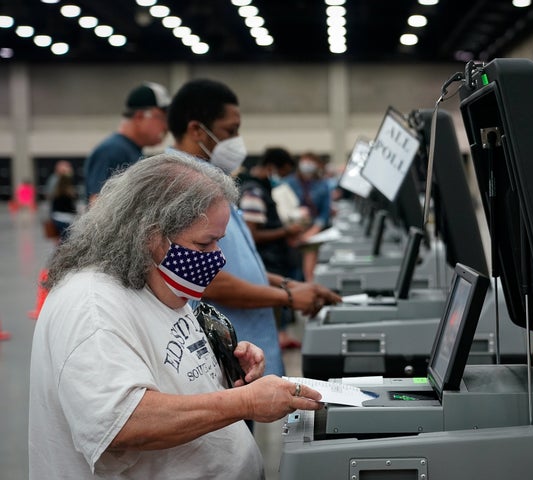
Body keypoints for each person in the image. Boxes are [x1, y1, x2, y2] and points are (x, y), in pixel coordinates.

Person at [28, 154, 323, 479]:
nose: (217, 258)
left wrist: (224, 365)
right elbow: (123, 423)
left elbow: (164, 361)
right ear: (151, 235)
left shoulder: (151, 277)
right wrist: (246, 403)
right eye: (204, 243)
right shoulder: (91, 307)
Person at [166, 78, 341, 378]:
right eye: (229, 131)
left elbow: (238, 263)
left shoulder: (208, 179)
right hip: (219, 355)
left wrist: (286, 284)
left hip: (242, 350)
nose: (237, 140)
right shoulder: (179, 186)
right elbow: (205, 280)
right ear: (196, 130)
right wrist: (285, 297)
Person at [236, 147, 306, 349]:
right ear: (271, 167)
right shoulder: (254, 192)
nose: (282, 179)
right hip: (267, 262)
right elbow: (253, 234)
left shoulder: (261, 189)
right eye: (282, 173)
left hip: (274, 261)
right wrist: (285, 231)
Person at [83, 81, 170, 205]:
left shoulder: (129, 150)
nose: (166, 126)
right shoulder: (113, 150)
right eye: (162, 118)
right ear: (139, 117)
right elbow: (98, 206)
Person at [284, 151, 333, 282]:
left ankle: (309, 284)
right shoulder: (289, 182)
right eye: (305, 161)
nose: (307, 165)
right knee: (292, 270)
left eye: (310, 162)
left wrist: (311, 233)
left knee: (309, 271)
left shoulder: (323, 184)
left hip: (312, 231)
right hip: (291, 230)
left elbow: (324, 214)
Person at [48, 172, 77, 242]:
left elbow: (53, 207)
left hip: (57, 218)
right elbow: (71, 208)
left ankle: (59, 251)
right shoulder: (70, 194)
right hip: (67, 219)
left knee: (59, 239)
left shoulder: (56, 192)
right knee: (67, 239)